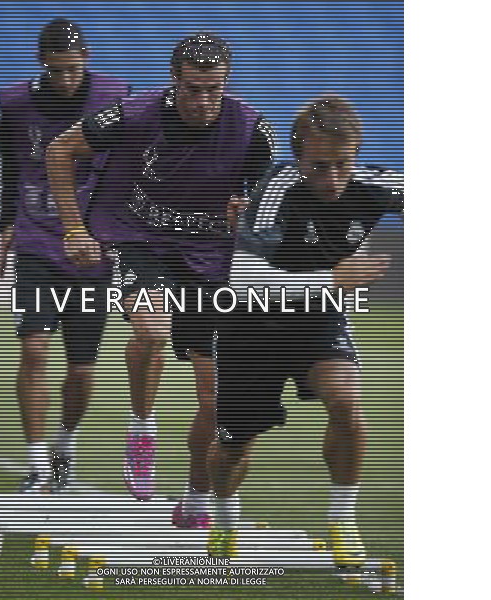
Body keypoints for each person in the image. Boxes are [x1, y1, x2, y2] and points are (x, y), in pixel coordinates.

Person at [46, 33, 273, 527]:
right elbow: (60, 152)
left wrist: (249, 219)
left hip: (209, 257)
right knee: (151, 328)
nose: (204, 101)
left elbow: (264, 212)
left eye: (214, 89)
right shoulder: (133, 115)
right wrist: (72, 225)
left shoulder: (253, 131)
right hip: (138, 237)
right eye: (193, 88)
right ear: (174, 82)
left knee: (215, 394)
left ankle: (193, 496)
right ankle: (142, 429)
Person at [207, 94, 403, 564]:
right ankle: (225, 520)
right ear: (297, 158)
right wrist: (333, 278)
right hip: (249, 326)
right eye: (319, 167)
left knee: (346, 400)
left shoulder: (377, 184)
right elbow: (246, 278)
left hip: (318, 320)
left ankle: (340, 521)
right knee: (234, 445)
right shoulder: (273, 191)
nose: (334, 179)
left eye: (344, 164)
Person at [0, 18, 130, 493]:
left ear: (87, 60)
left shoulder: (116, 99)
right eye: (56, 71)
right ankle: (35, 461)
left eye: (73, 69)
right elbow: (8, 166)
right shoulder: (14, 104)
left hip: (92, 251)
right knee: (33, 347)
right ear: (41, 64)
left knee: (82, 365)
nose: (67, 79)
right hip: (36, 241)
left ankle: (64, 444)